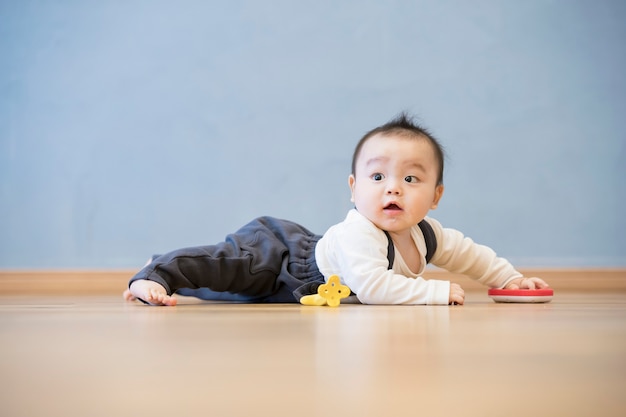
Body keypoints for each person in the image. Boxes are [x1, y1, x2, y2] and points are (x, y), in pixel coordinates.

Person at [124, 113, 549, 306]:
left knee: (229, 295)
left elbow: (471, 254)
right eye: (378, 177)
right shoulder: (360, 233)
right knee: (226, 267)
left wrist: (510, 279)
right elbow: (374, 288)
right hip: (281, 257)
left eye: (411, 179)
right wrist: (434, 292)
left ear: (435, 197)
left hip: (304, 285)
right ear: (354, 188)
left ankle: (169, 277)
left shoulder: (429, 235)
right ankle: (155, 272)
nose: (393, 190)